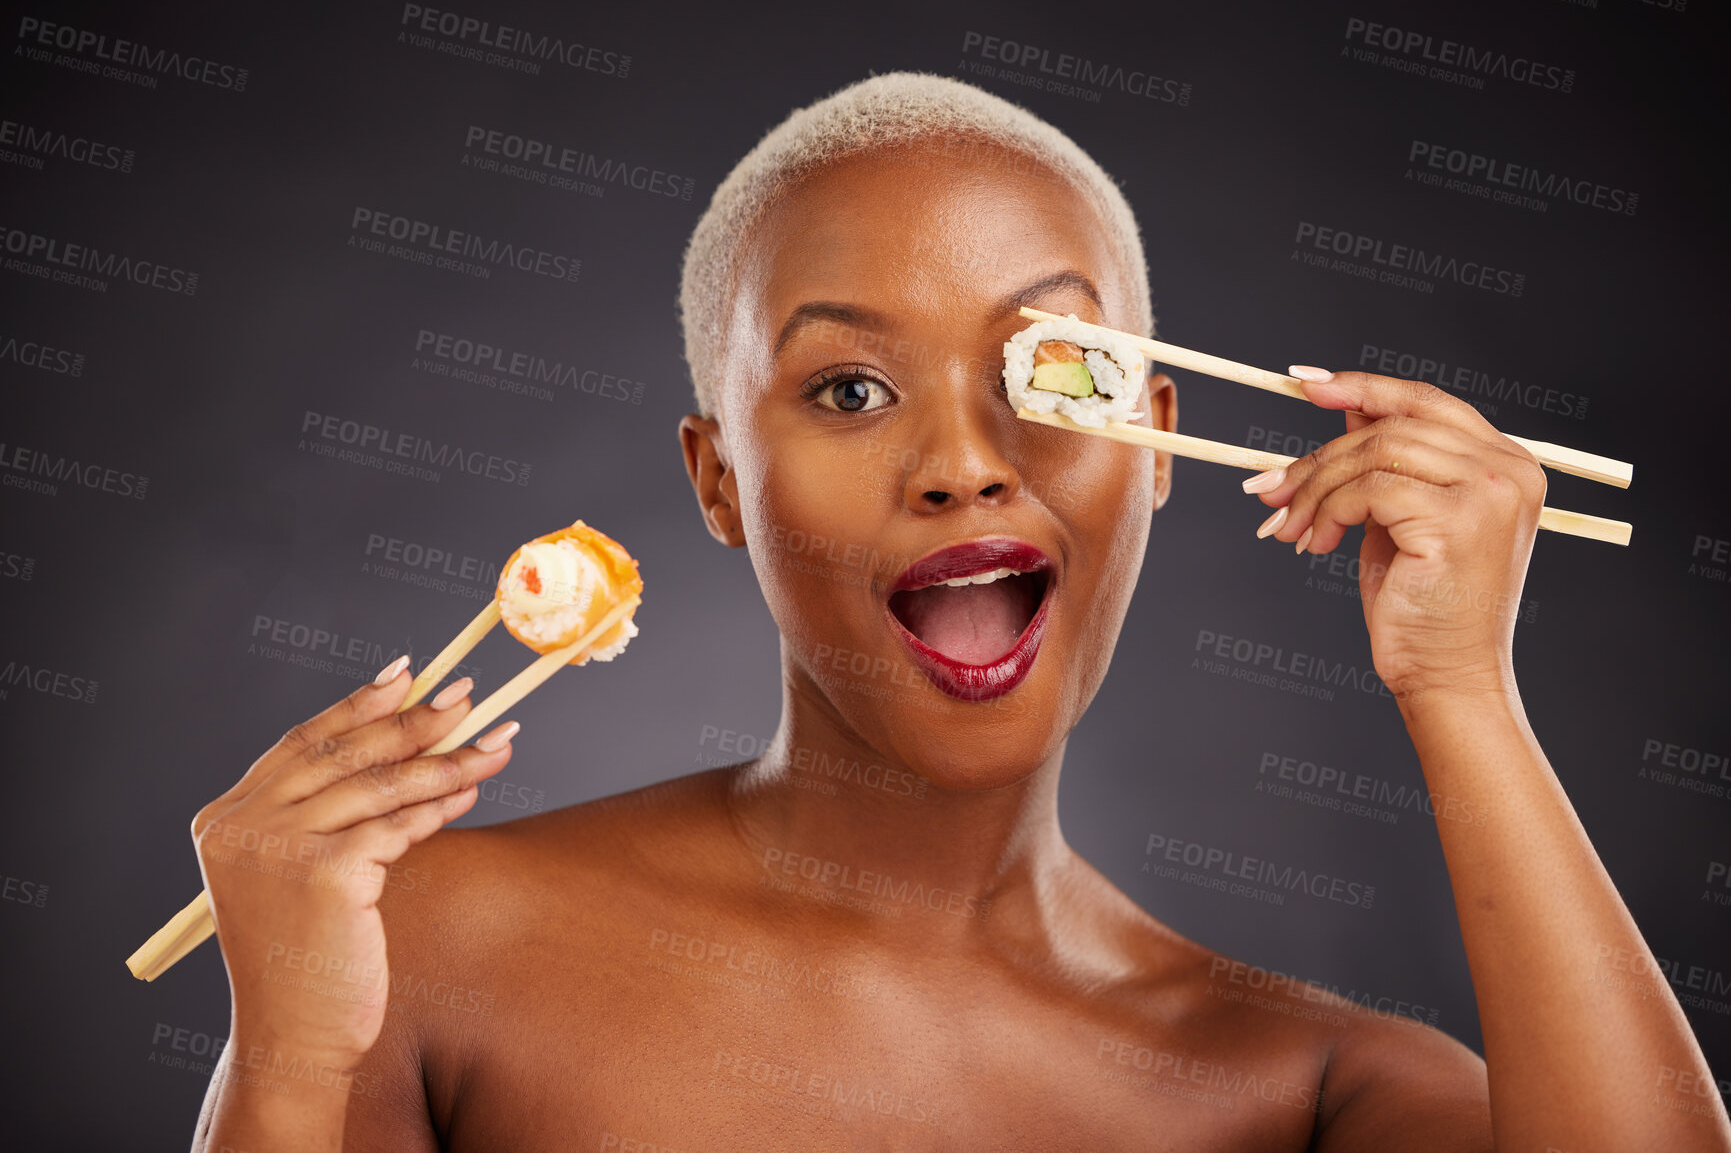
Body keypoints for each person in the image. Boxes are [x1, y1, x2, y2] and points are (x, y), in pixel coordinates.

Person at [189, 72, 1730, 1151]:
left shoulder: (1315, 1084)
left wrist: (1463, 688)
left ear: (1164, 443)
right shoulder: (415, 947)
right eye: (852, 389)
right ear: (720, 484)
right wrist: (286, 1064)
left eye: (1046, 376)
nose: (960, 466)